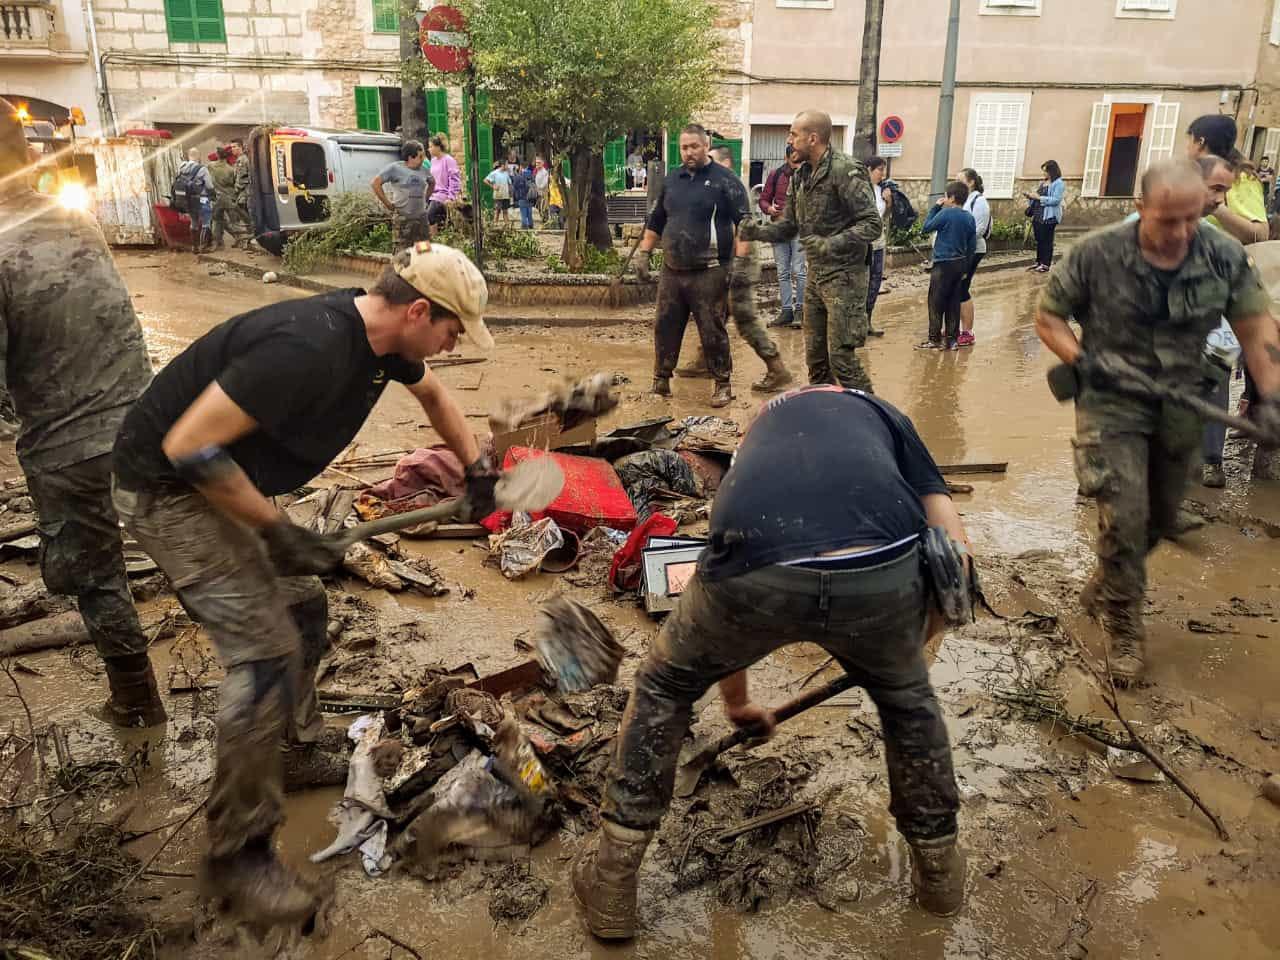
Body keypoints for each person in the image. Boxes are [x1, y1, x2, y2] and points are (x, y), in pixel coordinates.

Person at [110, 242, 500, 926]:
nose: (453, 342)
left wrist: (477, 470)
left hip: (225, 481)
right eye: (452, 328)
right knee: (262, 654)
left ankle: (291, 747)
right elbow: (189, 448)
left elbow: (435, 395)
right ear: (416, 310)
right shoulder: (306, 347)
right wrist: (280, 531)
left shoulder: (385, 344)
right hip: (168, 492)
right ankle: (239, 855)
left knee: (301, 604)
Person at [572, 384, 970, 940]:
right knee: (910, 708)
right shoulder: (885, 413)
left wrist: (736, 704)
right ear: (843, 395)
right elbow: (953, 546)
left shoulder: (757, 437)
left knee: (665, 684)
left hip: (752, 566)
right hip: (879, 569)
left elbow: (721, 574)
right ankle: (941, 882)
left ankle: (612, 883)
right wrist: (908, 656)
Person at [1035, 160, 1280, 687]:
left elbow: (1256, 324)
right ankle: (1124, 626)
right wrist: (1081, 360)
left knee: (1161, 519)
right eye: (1169, 221)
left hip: (1182, 403)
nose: (1183, 232)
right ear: (1141, 209)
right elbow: (1048, 317)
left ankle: (1106, 581)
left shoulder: (1222, 255)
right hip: (1111, 403)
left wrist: (1273, 398)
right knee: (1125, 513)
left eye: (1193, 218)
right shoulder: (1096, 254)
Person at [0, 100, 166, 730]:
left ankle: (135, 701)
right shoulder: (78, 224)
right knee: (184, 549)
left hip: (67, 449)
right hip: (147, 425)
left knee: (97, 576)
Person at [740, 110, 882, 392]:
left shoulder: (845, 170)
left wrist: (831, 243)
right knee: (816, 361)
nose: (789, 140)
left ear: (813, 138)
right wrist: (758, 231)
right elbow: (789, 227)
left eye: (794, 134)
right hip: (816, 277)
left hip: (845, 277)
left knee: (842, 358)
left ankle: (874, 418)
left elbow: (872, 224)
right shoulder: (800, 175)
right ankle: (825, 416)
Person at [632, 124, 753, 408]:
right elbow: (656, 222)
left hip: (710, 270)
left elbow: (745, 225)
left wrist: (742, 263)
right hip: (672, 271)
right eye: (684, 148)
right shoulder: (672, 180)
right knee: (665, 326)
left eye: (694, 147)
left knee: (712, 330)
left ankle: (722, 384)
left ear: (705, 144)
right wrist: (644, 254)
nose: (688, 152)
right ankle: (661, 380)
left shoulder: (726, 181)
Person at [675, 146, 795, 394]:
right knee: (711, 313)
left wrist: (739, 266)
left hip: (740, 260)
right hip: (724, 260)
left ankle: (776, 368)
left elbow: (745, 229)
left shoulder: (733, 188)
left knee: (744, 316)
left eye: (713, 161)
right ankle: (704, 360)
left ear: (726, 164)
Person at [919, 181, 977, 351]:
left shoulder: (945, 214)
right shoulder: (969, 217)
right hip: (960, 264)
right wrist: (967, 267)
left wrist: (935, 208)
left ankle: (934, 338)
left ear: (951, 198)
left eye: (945, 196)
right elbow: (971, 245)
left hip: (943, 264)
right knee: (953, 302)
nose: (944, 199)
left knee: (936, 302)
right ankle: (952, 340)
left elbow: (926, 227)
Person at [759, 147, 805, 329]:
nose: (796, 163)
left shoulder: (808, 176)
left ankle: (800, 310)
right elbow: (763, 199)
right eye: (793, 159)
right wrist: (769, 209)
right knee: (783, 272)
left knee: (799, 270)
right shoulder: (775, 175)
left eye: (799, 159)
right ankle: (786, 311)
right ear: (786, 157)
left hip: (800, 229)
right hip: (779, 227)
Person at [371, 140, 435, 250]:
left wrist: (426, 199)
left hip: (421, 220)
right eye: (420, 156)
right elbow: (375, 183)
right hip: (403, 219)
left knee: (424, 252)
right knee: (402, 254)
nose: (423, 159)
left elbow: (432, 182)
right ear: (410, 157)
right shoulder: (395, 168)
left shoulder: (424, 170)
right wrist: (387, 203)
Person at [957, 168, 991, 348]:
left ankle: (968, 332)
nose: (956, 182)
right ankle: (956, 328)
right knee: (957, 289)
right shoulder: (965, 200)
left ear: (971, 182)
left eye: (960, 179)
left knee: (963, 288)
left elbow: (979, 229)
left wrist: (960, 239)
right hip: (961, 250)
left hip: (973, 250)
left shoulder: (979, 201)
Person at [866, 156, 892, 338]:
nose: (882, 174)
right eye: (879, 170)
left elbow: (885, 216)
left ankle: (867, 321)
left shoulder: (881, 190)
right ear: (869, 169)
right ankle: (856, 323)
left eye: (883, 170)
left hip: (879, 243)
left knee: (875, 283)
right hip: (863, 245)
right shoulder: (860, 190)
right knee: (862, 283)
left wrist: (888, 201)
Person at [1024, 160, 1065, 273]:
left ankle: (1045, 264)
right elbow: (1038, 196)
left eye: (1045, 171)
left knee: (1047, 240)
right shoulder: (1043, 183)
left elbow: (1056, 200)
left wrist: (1039, 198)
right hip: (1038, 215)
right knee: (1039, 240)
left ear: (1052, 171)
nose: (1043, 173)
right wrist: (1030, 196)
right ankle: (1038, 262)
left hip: (1049, 216)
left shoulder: (1059, 184)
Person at [208, 145, 246, 249]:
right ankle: (241, 241)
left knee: (217, 220)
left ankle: (217, 243)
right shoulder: (230, 169)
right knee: (235, 221)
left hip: (217, 198)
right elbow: (234, 183)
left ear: (217, 155)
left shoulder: (210, 166)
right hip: (229, 197)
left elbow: (209, 157)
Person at [178, 147, 215, 254]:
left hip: (188, 200)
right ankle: (202, 247)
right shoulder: (202, 169)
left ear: (188, 156)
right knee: (206, 222)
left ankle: (194, 247)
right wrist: (213, 195)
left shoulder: (182, 167)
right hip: (202, 198)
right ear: (198, 156)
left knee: (193, 222)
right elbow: (209, 185)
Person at [427, 135, 462, 238]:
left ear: (438, 147)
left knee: (430, 215)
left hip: (443, 194)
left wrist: (451, 197)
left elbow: (454, 179)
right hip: (432, 194)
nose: (429, 149)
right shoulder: (433, 161)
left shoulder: (448, 160)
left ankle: (434, 240)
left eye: (431, 146)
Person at [511, 161, 534, 230]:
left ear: (521, 167)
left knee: (523, 212)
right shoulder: (531, 175)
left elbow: (514, 187)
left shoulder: (518, 177)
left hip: (521, 197)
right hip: (530, 196)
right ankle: (531, 224)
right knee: (529, 212)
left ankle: (524, 225)